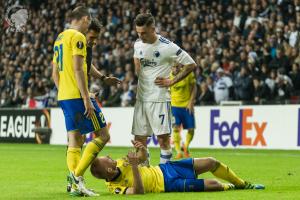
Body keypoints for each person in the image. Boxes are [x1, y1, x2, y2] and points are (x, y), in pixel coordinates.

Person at [52, 7, 118, 197]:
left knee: (75, 140)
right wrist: (85, 97)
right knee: (103, 135)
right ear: (83, 19)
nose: (89, 24)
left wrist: (64, 90)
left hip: (64, 96)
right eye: (88, 21)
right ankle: (76, 177)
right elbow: (79, 70)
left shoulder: (59, 38)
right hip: (79, 96)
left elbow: (55, 73)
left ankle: (73, 185)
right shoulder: (78, 37)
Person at [132, 13, 196, 165]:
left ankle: (164, 175)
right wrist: (138, 70)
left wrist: (172, 81)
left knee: (163, 140)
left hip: (159, 99)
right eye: (138, 33)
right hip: (141, 99)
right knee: (139, 140)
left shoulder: (168, 47)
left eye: (144, 33)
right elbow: (136, 58)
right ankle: (145, 173)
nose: (140, 36)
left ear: (153, 29)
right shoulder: (138, 43)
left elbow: (191, 64)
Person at [90, 140, 265, 195]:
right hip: (168, 185)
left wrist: (141, 150)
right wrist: (135, 166)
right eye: (108, 160)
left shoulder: (120, 163)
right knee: (215, 185)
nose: (112, 158)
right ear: (109, 171)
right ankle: (230, 186)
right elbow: (138, 192)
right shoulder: (116, 188)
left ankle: (242, 184)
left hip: (166, 169)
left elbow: (141, 157)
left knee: (211, 162)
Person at [170, 64, 197, 159]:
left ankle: (186, 147)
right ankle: (178, 152)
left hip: (187, 106)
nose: (176, 68)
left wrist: (191, 102)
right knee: (176, 128)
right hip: (174, 106)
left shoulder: (188, 74)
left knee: (191, 129)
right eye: (174, 66)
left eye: (178, 67)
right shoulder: (167, 76)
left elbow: (194, 87)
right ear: (171, 67)